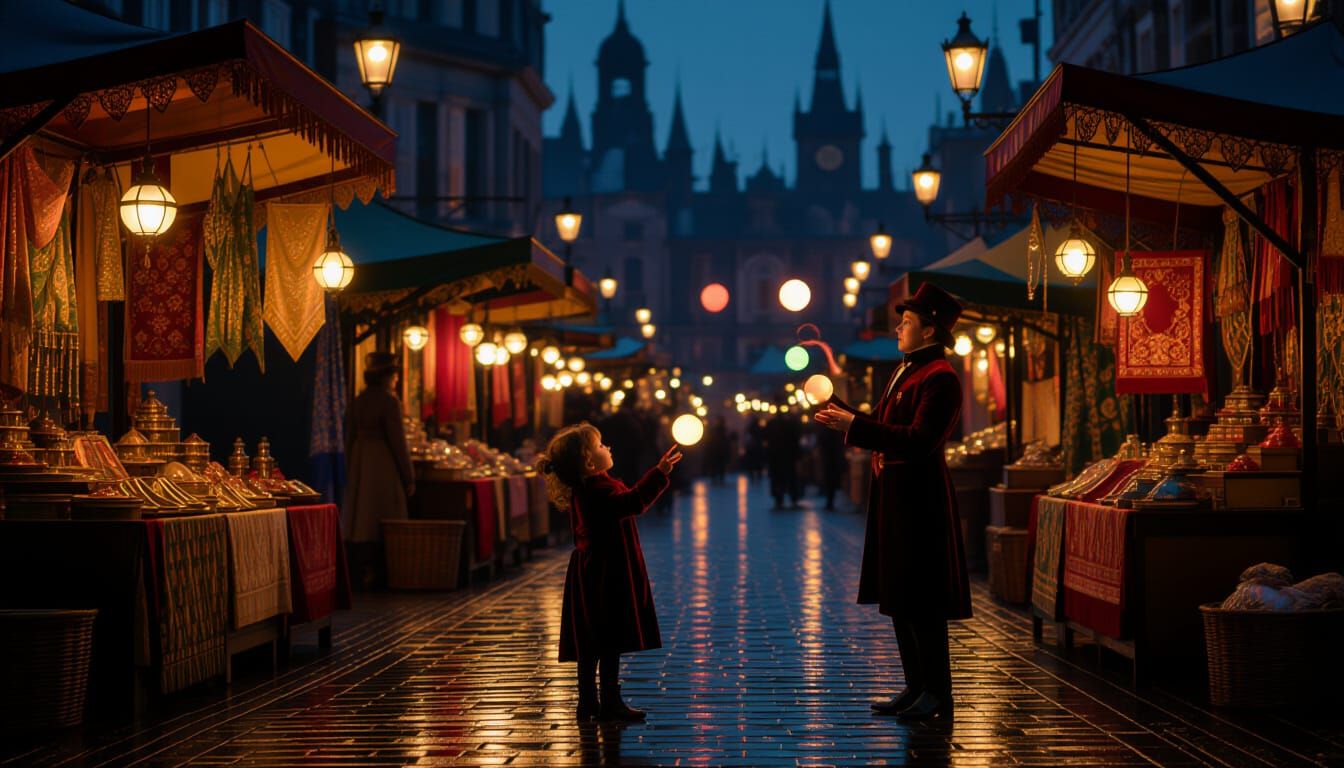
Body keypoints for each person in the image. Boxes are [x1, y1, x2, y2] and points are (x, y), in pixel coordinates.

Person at [815, 282, 972, 721]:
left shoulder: (940, 378)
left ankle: (938, 692)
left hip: (920, 502)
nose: (898, 328)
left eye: (907, 322)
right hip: (894, 500)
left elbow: (919, 439)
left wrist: (855, 425)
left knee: (923, 601)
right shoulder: (905, 370)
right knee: (900, 595)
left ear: (930, 330)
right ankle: (915, 685)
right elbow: (884, 425)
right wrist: (842, 412)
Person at [539, 422, 683, 722]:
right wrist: (659, 474)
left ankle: (591, 701)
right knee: (607, 638)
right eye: (601, 446)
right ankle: (606, 701)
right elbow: (632, 502)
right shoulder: (595, 490)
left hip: (598, 567)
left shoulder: (594, 484)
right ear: (589, 461)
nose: (609, 448)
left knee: (594, 640)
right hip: (605, 570)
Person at [342, 351, 415, 589]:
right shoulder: (388, 401)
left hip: (360, 461)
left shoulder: (358, 400)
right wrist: (408, 476)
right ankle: (383, 569)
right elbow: (398, 440)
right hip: (381, 461)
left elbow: (349, 436)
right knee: (385, 510)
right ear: (387, 377)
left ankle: (360, 568)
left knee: (361, 514)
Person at [764, 409, 801, 508]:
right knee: (790, 477)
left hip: (776, 457)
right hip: (788, 456)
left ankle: (779, 499)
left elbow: (765, 439)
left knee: (777, 478)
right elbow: (795, 441)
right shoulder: (790, 424)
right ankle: (792, 499)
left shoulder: (771, 424)